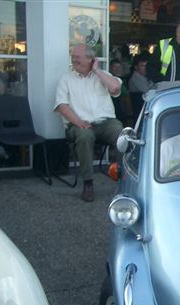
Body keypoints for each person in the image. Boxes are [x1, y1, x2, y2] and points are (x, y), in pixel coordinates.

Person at [54, 44, 124, 202]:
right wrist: (78, 121)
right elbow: (61, 105)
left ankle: (123, 177)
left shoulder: (103, 75)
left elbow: (115, 88)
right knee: (85, 135)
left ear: (91, 59)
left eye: (78, 57)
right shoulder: (66, 78)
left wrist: (97, 70)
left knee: (122, 135)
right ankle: (88, 182)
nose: (74, 60)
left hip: (105, 123)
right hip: (78, 124)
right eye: (73, 57)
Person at [110, 58, 133, 126]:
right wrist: (130, 117)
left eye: (119, 67)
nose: (117, 69)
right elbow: (126, 96)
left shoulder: (123, 80)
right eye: (115, 67)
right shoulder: (110, 79)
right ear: (110, 68)